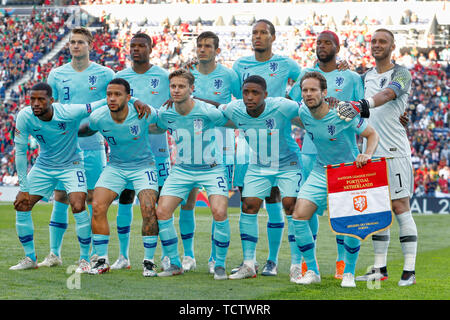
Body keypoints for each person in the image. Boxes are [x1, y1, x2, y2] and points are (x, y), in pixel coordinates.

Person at [41, 27, 134, 270]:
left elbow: (116, 103)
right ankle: (54, 253)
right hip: (65, 145)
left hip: (93, 144)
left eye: (81, 42)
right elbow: (51, 108)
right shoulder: (57, 74)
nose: (75, 46)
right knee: (61, 196)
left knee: (93, 197)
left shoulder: (104, 73)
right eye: (72, 42)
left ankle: (95, 253)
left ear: (90, 45)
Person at [337, 29, 418, 287]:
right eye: (374, 41)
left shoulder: (401, 73)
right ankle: (379, 269)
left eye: (383, 41)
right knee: (378, 211)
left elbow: (386, 96)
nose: (377, 45)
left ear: (393, 46)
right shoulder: (365, 77)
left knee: (400, 207)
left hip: (394, 151)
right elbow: (351, 88)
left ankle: (409, 271)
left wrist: (361, 106)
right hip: (370, 154)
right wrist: (343, 69)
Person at [288, 30, 364, 280]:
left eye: (327, 42)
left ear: (337, 47)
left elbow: (361, 114)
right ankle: (305, 264)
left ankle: (343, 264)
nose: (321, 46)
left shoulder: (350, 76)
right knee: (306, 210)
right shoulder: (305, 76)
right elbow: (293, 107)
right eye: (318, 42)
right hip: (311, 154)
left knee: (343, 213)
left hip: (344, 155)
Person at [291, 72, 379, 287]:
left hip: (348, 173)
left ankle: (348, 273)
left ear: (324, 92)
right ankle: (312, 270)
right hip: (321, 171)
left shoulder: (342, 113)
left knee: (350, 225)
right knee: (299, 216)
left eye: (313, 90)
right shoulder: (303, 112)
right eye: (305, 90)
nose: (309, 94)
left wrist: (367, 155)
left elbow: (372, 135)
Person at [231, 19, 301, 276]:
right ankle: (254, 262)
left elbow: (306, 78)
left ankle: (283, 261)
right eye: (254, 33)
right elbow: (231, 98)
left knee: (285, 204)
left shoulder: (285, 63)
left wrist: (287, 101)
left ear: (273, 37)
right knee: (254, 202)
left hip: (281, 143)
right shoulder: (240, 65)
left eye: (263, 33)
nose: (257, 37)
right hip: (254, 143)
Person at [217, 75, 303, 280]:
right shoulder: (235, 108)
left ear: (265, 95)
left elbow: (309, 110)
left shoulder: (282, 106)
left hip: (288, 163)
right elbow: (214, 108)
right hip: (259, 163)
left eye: (255, 92)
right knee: (248, 206)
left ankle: (297, 265)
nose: (249, 96)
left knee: (291, 206)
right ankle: (248, 263)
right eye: (246, 92)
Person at [10, 83, 103, 271]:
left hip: (72, 165)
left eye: (41, 99)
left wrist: (132, 99)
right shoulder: (25, 116)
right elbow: (20, 152)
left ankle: (85, 259)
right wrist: (24, 187)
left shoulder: (69, 112)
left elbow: (99, 103)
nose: (35, 103)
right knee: (22, 204)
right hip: (44, 165)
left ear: (51, 101)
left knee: (78, 205)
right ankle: (30, 258)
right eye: (32, 99)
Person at [150, 69, 230, 280]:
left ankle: (219, 264)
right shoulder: (165, 113)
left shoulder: (206, 111)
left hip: (212, 169)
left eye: (181, 86)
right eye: (173, 86)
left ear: (191, 89)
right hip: (182, 169)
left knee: (220, 212)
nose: (176, 90)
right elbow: (154, 126)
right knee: (162, 212)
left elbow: (231, 121)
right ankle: (175, 263)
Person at [78, 78, 160, 277]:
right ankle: (102, 261)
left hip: (143, 166)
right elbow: (84, 130)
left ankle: (149, 262)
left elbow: (165, 121)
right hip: (115, 166)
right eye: (109, 95)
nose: (112, 99)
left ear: (129, 97)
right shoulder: (98, 117)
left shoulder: (143, 113)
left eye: (117, 95)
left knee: (148, 208)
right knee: (97, 205)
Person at [180, 31, 240, 274]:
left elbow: (239, 104)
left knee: (219, 206)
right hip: (189, 146)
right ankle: (188, 256)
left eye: (207, 46)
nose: (202, 49)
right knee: (187, 202)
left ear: (217, 50)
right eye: (199, 46)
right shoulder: (186, 74)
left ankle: (216, 258)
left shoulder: (228, 75)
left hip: (221, 148)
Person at [112, 32, 172, 271]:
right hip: (127, 151)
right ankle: (123, 256)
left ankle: (167, 255)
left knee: (160, 203)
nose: (136, 49)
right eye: (133, 46)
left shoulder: (163, 77)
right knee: (125, 199)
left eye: (141, 46)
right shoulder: (120, 77)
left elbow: (170, 111)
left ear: (151, 48)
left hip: (157, 148)